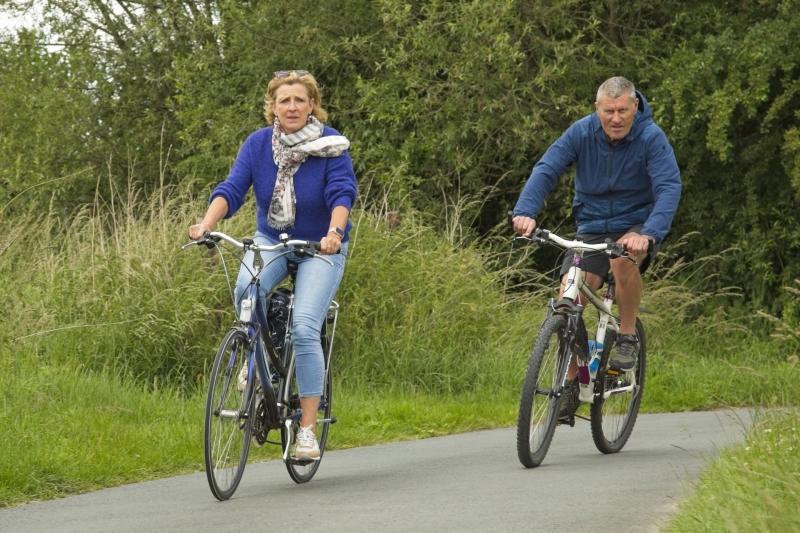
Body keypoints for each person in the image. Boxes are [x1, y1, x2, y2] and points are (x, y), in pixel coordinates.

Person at [189, 70, 357, 460]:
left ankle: (307, 431)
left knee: (304, 327)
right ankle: (256, 357)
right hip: (273, 238)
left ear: (312, 105)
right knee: (246, 289)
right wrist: (207, 224)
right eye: (284, 100)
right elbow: (233, 188)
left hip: (321, 244)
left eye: (299, 100)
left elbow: (342, 193)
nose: (292, 107)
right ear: (273, 107)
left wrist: (334, 232)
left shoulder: (330, 145)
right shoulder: (258, 144)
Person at [512, 76, 681, 417]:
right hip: (591, 227)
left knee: (622, 261)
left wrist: (649, 234)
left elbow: (668, 186)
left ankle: (628, 336)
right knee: (569, 295)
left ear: (635, 106)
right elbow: (548, 168)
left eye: (622, 111)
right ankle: (574, 379)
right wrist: (525, 211)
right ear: (597, 109)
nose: (615, 118)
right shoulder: (581, 132)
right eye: (608, 111)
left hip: (636, 225)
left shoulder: (651, 137)